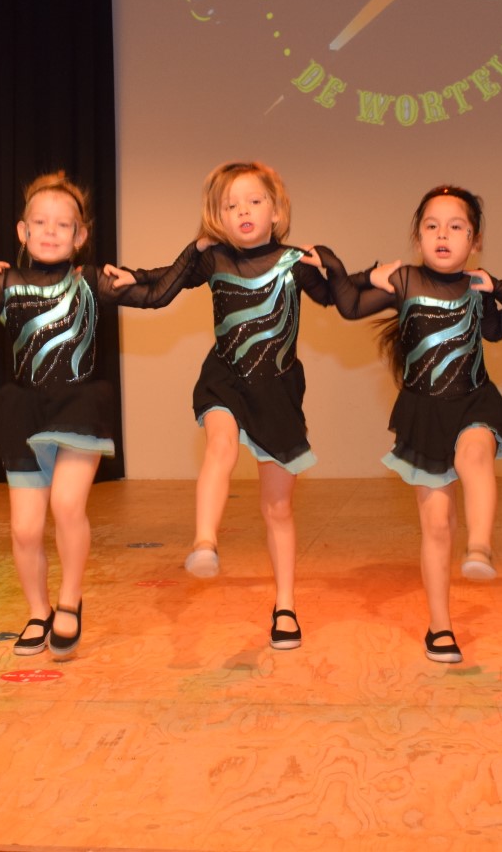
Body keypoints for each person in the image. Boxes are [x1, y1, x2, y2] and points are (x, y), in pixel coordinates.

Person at [0, 172, 197, 659]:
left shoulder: (91, 281)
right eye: (40, 223)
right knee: (25, 529)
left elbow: (157, 296)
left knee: (67, 506)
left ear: (80, 235)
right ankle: (37, 611)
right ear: (22, 231)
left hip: (79, 406)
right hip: (22, 411)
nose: (50, 231)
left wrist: (197, 250)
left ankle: (70, 600)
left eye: (62, 224)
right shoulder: (5, 283)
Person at [318, 186, 502, 663]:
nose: (442, 235)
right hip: (424, 412)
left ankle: (479, 547)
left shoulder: (477, 286)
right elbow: (348, 304)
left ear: (474, 240)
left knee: (475, 456)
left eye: (456, 227)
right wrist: (350, 269)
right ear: (418, 237)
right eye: (432, 226)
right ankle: (440, 627)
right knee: (436, 525)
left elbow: (494, 329)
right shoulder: (404, 280)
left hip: (473, 400)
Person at [176, 161, 333, 651]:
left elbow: (344, 300)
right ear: (218, 217)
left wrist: (354, 271)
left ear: (276, 211)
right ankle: (205, 541)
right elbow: (156, 288)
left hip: (276, 391)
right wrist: (187, 251)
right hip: (224, 378)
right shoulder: (215, 260)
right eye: (231, 205)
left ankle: (285, 605)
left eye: (254, 201)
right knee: (219, 447)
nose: (243, 210)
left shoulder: (294, 263)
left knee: (278, 507)